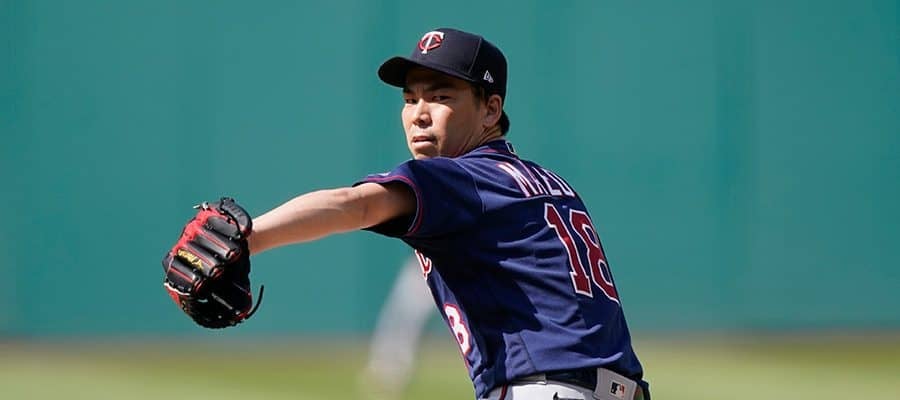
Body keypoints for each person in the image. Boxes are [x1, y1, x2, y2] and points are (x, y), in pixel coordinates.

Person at [247, 28, 650, 400]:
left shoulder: (464, 177)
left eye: (441, 97)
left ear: (490, 110)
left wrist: (249, 238)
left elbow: (358, 204)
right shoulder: (549, 183)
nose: (419, 114)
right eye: (410, 99)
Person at [360, 254, 435, 399]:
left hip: (443, 267)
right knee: (399, 318)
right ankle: (387, 367)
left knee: (406, 321)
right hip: (423, 265)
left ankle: (392, 370)